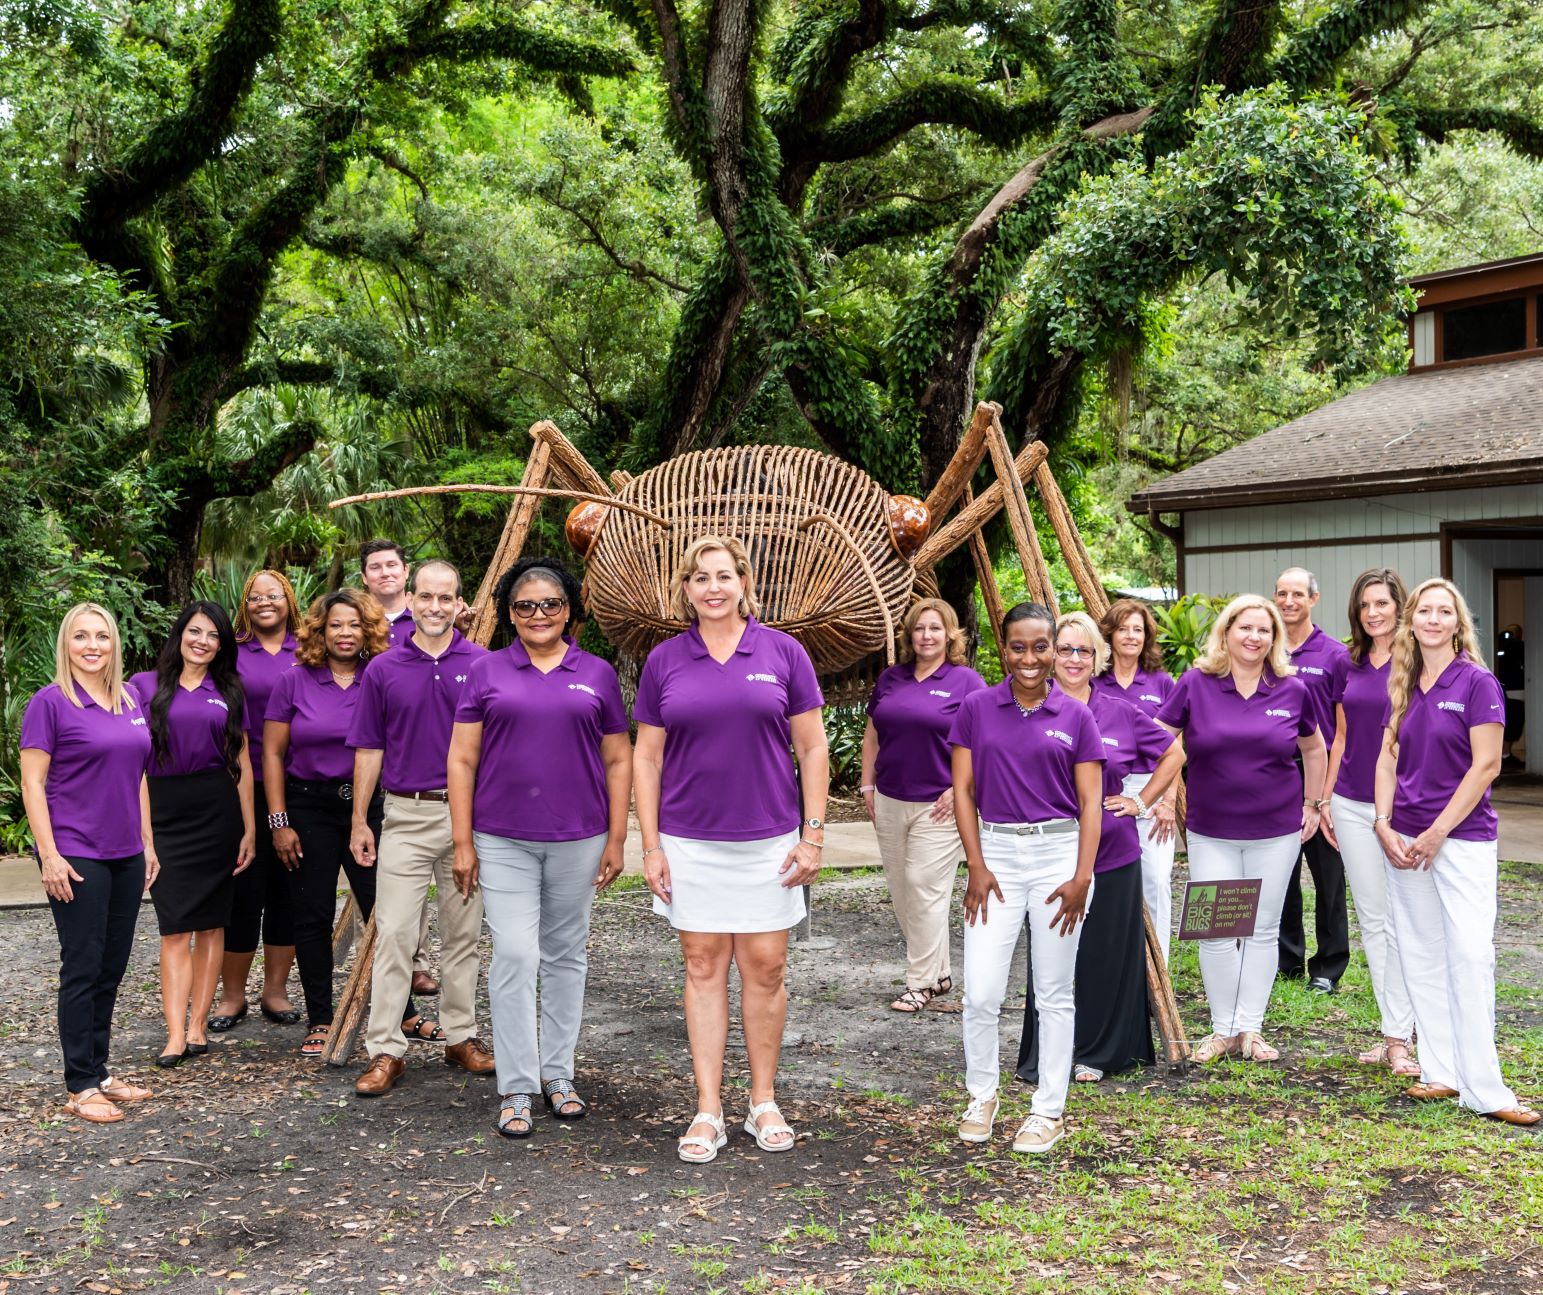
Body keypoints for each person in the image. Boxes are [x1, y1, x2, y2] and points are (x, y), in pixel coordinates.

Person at [635, 536, 828, 1164]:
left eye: (724, 575)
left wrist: (814, 832)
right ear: (685, 589)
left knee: (768, 968)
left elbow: (813, 748)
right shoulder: (665, 660)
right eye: (700, 578)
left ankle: (763, 1101)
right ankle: (709, 1109)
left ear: (744, 581)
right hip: (690, 841)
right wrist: (652, 844)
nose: (713, 588)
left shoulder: (783, 652)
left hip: (769, 839)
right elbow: (647, 755)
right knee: (702, 967)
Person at [448, 557, 632, 1137]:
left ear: (570, 610)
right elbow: (461, 758)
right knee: (516, 956)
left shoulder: (596, 673)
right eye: (524, 605)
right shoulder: (486, 672)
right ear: (508, 613)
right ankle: (518, 1086)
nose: (538, 614)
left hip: (580, 836)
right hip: (502, 838)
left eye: (550, 603)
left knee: (565, 956)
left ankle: (559, 1074)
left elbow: (620, 757)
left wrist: (618, 835)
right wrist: (462, 842)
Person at [1374, 578, 1538, 1126]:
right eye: (1425, 610)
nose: (1434, 619)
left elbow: (1487, 765)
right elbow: (1387, 759)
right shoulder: (1403, 682)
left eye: (1445, 611)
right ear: (1412, 620)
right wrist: (1381, 824)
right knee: (1420, 954)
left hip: (1460, 840)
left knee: (1469, 957)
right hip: (1405, 841)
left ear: (1457, 622)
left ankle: (1486, 1089)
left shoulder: (1477, 682)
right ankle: (1439, 1070)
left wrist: (1439, 831)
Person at [949, 602, 1103, 1155]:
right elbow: (964, 792)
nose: (1032, 658)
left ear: (1057, 649)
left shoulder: (1077, 716)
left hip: (1059, 856)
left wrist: (1082, 875)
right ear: (1004, 648)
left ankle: (1048, 1110)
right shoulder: (975, 708)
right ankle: (981, 1095)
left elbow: (1091, 804)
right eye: (1019, 646)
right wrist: (976, 864)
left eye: (1043, 646)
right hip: (994, 853)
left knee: (1054, 992)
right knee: (981, 991)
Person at [1157, 595, 1326, 1064]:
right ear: (1226, 633)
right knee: (1213, 931)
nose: (1254, 637)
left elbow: (1315, 749)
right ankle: (1222, 1029)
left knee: (1262, 930)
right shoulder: (1195, 684)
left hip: (1276, 831)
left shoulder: (1293, 689)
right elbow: (1159, 738)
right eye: (1245, 628)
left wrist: (1315, 803)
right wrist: (1158, 791)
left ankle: (1250, 1029)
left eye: (1264, 630)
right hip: (1211, 831)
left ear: (1275, 639)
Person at [1018, 612, 1185, 1085]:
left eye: (1084, 651)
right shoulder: (1029, 708)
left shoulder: (1120, 711)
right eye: (1065, 649)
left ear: (1098, 658)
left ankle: (1098, 1051)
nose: (1074, 659)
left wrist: (1141, 800)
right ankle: (1048, 1051)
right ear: (1050, 655)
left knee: (1105, 956)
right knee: (1051, 955)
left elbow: (1174, 752)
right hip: (1050, 852)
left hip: (1113, 853)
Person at [263, 589, 432, 1055]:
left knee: (387, 912)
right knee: (312, 914)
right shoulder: (294, 681)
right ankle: (321, 1016)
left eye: (355, 625)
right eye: (336, 624)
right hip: (307, 809)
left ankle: (403, 1014)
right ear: (320, 629)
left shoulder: (381, 677)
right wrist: (279, 821)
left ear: (369, 631)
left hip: (371, 810)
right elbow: (273, 754)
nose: (345, 633)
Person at [350, 561, 495, 1096]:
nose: (436, 607)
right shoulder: (383, 669)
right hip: (404, 815)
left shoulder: (482, 665)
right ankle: (386, 1049)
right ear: (410, 600)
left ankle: (460, 1036)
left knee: (464, 935)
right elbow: (369, 748)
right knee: (395, 933)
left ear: (460, 604)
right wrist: (359, 821)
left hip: (467, 818)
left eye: (447, 598)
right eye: (426, 597)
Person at [19, 603, 157, 1123]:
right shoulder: (50, 703)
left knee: (113, 965)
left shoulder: (129, 699)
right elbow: (33, 783)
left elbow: (139, 774)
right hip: (76, 850)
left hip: (125, 851)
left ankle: (99, 1070)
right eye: (81, 636)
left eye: (102, 635)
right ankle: (80, 1083)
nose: (93, 645)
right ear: (66, 644)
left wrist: (148, 841)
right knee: (82, 964)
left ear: (115, 643)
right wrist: (48, 854)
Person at [129, 603, 255, 1067]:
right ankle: (174, 1034)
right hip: (162, 809)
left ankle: (199, 1026)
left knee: (211, 924)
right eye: (194, 631)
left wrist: (250, 830)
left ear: (222, 645)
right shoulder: (142, 687)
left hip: (216, 811)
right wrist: (145, 837)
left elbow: (241, 763)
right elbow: (134, 764)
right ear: (180, 634)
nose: (202, 641)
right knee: (174, 928)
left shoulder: (229, 691)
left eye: (213, 635)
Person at [859, 598, 984, 1012]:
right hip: (891, 798)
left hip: (942, 805)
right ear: (909, 635)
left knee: (923, 886)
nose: (926, 636)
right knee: (902, 891)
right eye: (918, 628)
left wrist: (960, 788)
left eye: (934, 628)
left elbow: (988, 741)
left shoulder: (966, 682)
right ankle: (940, 972)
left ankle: (920, 984)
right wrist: (866, 786)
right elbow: (872, 734)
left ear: (950, 634)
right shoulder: (892, 678)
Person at [1319, 569, 1418, 1076]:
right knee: (1375, 922)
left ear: (1401, 606)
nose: (1373, 612)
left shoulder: (1419, 660)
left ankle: (1416, 1030)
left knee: (1410, 921)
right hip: (1352, 803)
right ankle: (1394, 1034)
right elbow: (1339, 736)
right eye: (1364, 605)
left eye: (1382, 603)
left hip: (1403, 807)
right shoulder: (1347, 662)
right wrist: (1325, 799)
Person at [211, 568, 301, 1032]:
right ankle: (231, 997)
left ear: (289, 599)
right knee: (244, 889)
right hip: (243, 784)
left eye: (274, 594)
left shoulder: (309, 648)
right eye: (254, 596)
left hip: (296, 785)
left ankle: (276, 991)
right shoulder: (231, 654)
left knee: (286, 891)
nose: (264, 602)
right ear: (244, 605)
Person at [359, 538, 440, 997]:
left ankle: (418, 958)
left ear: (406, 573)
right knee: (383, 864)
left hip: (418, 755)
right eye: (375, 566)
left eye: (392, 564)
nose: (385, 572)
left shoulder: (429, 615)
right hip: (370, 749)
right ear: (365, 576)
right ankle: (390, 952)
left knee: (419, 865)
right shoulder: (357, 618)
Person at [1274, 567, 1351, 993]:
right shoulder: (1266, 650)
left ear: (1313, 599)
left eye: (1297, 594)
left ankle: (1328, 967)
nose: (1288, 602)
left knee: (1328, 876)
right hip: (1279, 776)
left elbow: (1343, 730)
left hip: (1322, 776)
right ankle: (1286, 960)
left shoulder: (1335, 655)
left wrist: (1325, 796)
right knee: (1282, 871)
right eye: (1282, 594)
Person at [1093, 598, 1180, 965]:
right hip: (1106, 787)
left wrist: (1167, 802)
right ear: (1109, 635)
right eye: (1123, 628)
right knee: (1108, 879)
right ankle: (1112, 959)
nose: (1131, 636)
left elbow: (1176, 745)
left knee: (1157, 880)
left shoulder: (1161, 682)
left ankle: (1157, 968)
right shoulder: (1094, 680)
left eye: (1138, 630)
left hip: (1152, 789)